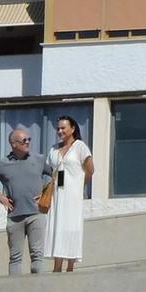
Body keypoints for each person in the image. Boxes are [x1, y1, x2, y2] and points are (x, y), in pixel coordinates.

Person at [0, 126, 49, 276]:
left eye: (29, 139)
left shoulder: (39, 159)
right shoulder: (2, 164)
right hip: (14, 217)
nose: (28, 142)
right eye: (24, 140)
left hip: (36, 214)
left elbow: (58, 174)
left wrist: (46, 192)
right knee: (15, 258)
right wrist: (1, 198)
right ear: (13, 144)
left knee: (37, 258)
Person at [44, 115, 92, 271]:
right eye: (58, 128)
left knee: (71, 226)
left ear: (72, 129)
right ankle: (57, 265)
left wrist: (79, 186)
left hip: (72, 196)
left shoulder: (80, 146)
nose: (60, 131)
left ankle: (70, 265)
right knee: (57, 225)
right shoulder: (53, 149)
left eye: (63, 128)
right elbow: (50, 171)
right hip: (57, 195)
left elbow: (90, 170)